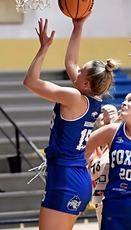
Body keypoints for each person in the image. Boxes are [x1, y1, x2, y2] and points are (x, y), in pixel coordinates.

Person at [23, 17, 119, 230]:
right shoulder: (93, 98)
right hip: (75, 178)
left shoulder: (74, 97)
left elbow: (30, 82)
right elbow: (71, 62)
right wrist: (78, 27)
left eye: (81, 70)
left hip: (65, 179)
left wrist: (43, 48)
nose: (75, 70)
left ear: (85, 82)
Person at [85, 36, 131, 230]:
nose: (124, 103)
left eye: (130, 100)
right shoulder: (112, 131)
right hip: (112, 209)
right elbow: (80, 151)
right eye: (124, 100)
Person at [87, 104, 121, 228]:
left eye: (111, 111)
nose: (105, 113)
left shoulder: (121, 139)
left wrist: (111, 124)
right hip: (100, 202)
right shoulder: (93, 146)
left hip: (119, 199)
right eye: (102, 111)